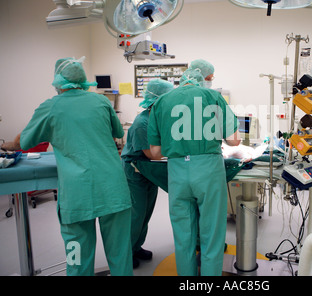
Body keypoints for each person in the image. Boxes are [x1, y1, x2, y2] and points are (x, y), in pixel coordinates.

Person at [1, 57, 133, 276]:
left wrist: (6, 144)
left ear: (58, 82)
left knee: (77, 258)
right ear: (82, 80)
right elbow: (118, 133)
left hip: (77, 196)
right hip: (113, 189)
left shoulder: (52, 106)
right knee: (120, 255)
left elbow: (23, 142)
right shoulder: (100, 102)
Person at [147, 66, 241, 276]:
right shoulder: (212, 96)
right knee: (212, 236)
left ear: (181, 80)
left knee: (183, 237)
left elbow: (155, 153)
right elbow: (234, 140)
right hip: (208, 171)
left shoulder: (162, 102)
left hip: (178, 172)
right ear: (202, 80)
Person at [121, 78, 173, 269]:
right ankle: (127, 252)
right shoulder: (142, 122)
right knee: (136, 214)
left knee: (146, 213)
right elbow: (152, 154)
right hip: (135, 171)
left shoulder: (157, 118)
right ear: (157, 101)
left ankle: (137, 246)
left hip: (149, 170)